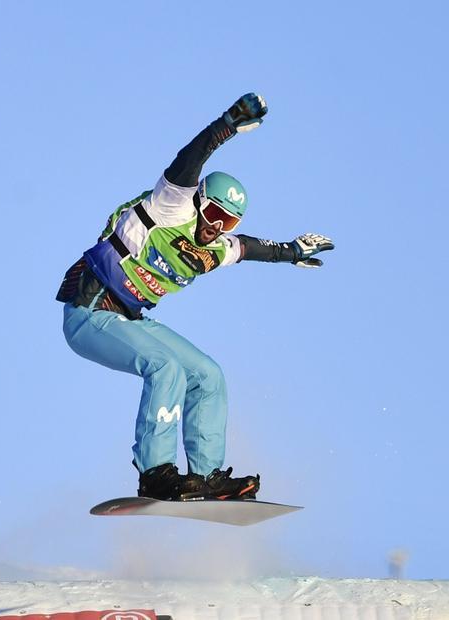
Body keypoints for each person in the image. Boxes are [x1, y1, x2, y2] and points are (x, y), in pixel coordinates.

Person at [55, 93, 335, 502]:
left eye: (229, 222)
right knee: (165, 367)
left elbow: (251, 249)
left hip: (129, 319)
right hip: (90, 312)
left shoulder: (215, 248)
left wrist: (290, 252)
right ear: (199, 202)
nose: (217, 227)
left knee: (207, 374)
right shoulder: (173, 207)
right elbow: (189, 160)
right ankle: (156, 473)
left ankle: (207, 476)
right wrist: (226, 125)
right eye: (215, 215)